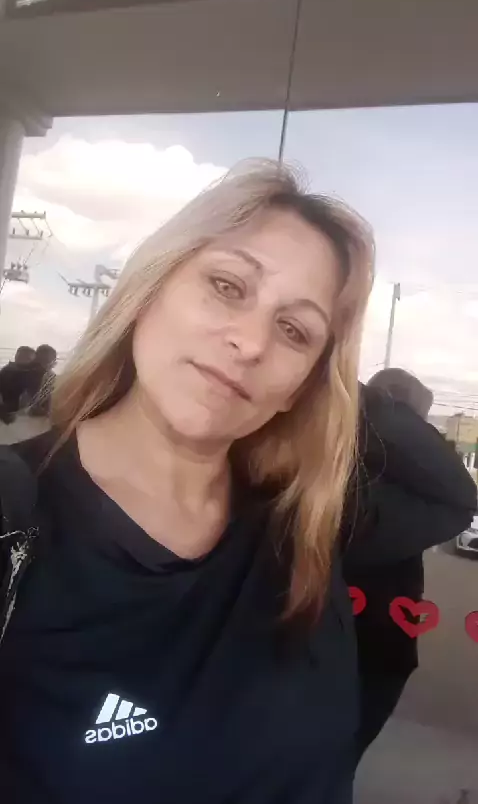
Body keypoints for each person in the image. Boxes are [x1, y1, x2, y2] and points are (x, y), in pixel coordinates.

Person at [0, 160, 475, 804]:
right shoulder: (14, 516)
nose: (251, 343)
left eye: (293, 331)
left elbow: (449, 495)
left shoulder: (302, 523)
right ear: (148, 289)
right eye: (227, 286)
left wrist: (331, 384)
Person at [343, 368, 476, 759]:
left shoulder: (327, 466)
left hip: (353, 651)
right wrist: (383, 410)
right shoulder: (396, 488)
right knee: (336, 758)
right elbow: (462, 498)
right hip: (371, 652)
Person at [0, 346, 36, 422]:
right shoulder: (6, 371)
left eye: (27, 358)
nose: (22, 360)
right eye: (20, 357)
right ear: (16, 356)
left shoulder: (31, 373)